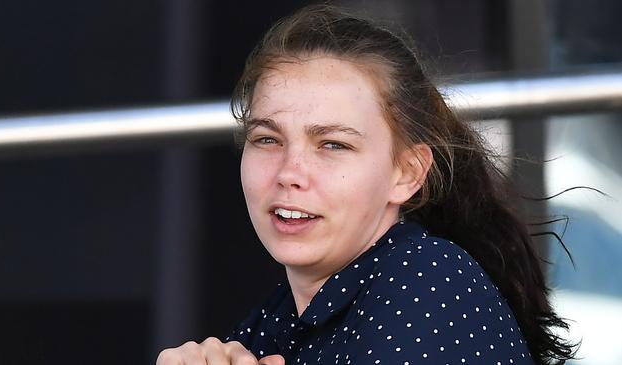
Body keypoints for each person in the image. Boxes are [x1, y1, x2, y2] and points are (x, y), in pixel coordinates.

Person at [157, 4, 575, 365]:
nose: (289, 172)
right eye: (268, 139)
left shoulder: (424, 286)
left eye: (333, 145)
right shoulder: (283, 314)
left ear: (407, 173)